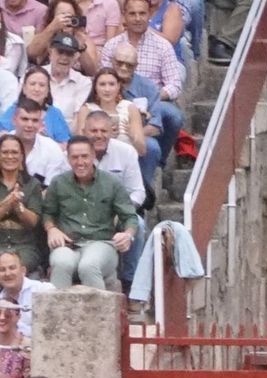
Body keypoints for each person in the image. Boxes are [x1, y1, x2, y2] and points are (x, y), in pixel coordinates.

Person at [41, 134, 136, 288]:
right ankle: (60, 311)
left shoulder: (111, 182)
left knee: (88, 266)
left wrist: (128, 234)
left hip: (101, 242)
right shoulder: (58, 183)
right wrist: (51, 229)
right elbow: (48, 213)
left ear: (93, 156)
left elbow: (130, 216)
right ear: (68, 159)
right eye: (75, 157)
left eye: (84, 156)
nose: (80, 162)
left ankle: (99, 311)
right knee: (60, 263)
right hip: (68, 244)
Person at [99, 0, 181, 170]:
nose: (137, 18)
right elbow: (103, 78)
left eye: (142, 13)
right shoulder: (112, 46)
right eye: (132, 14)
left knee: (174, 116)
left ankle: (159, 162)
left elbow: (175, 85)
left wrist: (151, 97)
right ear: (124, 17)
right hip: (117, 99)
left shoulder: (162, 46)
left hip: (154, 100)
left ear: (149, 15)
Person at [0, 130, 44, 290]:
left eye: (14, 152)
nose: (10, 156)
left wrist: (18, 207)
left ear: (21, 157)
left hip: (24, 245)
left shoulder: (32, 185)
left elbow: (33, 222)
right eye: (5, 152)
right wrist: (5, 206)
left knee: (13, 266)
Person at [0, 67, 73, 142]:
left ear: (48, 91)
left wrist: (45, 140)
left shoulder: (55, 114)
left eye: (42, 85)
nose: (37, 89)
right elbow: (0, 135)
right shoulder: (14, 110)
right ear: (24, 88)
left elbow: (65, 143)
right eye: (32, 84)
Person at [0, 248, 51, 322]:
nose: (7, 273)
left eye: (12, 268)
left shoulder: (44, 290)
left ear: (23, 270)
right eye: (2, 269)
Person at [45, 31, 90, 122]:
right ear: (50, 52)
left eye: (69, 54)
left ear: (75, 57)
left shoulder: (83, 82)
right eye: (60, 52)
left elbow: (78, 119)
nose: (64, 57)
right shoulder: (33, 76)